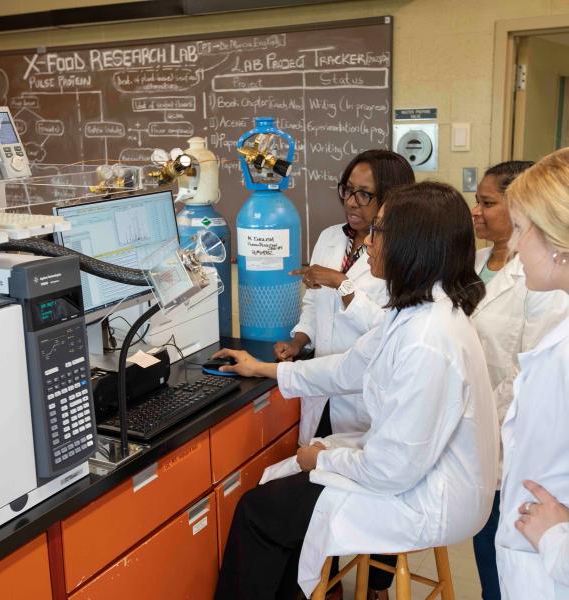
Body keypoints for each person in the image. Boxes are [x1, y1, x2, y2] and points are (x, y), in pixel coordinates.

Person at [213, 182, 499, 600]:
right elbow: (348, 367)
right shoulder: (418, 312)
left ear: (410, 244)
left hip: (425, 497)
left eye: (378, 232)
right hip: (409, 475)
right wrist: (265, 369)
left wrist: (325, 458)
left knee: (259, 513)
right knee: (277, 500)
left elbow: (392, 470)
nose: (367, 243)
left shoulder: (427, 337)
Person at [274, 151, 414, 600]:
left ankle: (376, 587)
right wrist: (298, 338)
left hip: (368, 393)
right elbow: (314, 305)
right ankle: (327, 583)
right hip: (326, 383)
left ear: (391, 198)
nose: (351, 202)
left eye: (364, 194)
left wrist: (341, 283)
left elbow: (386, 326)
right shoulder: (332, 237)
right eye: (347, 190)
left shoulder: (401, 249)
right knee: (323, 489)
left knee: (375, 490)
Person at [470, 161, 569, 600]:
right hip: (533, 547)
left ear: (559, 239)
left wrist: (557, 538)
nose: (518, 244)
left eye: (524, 229)